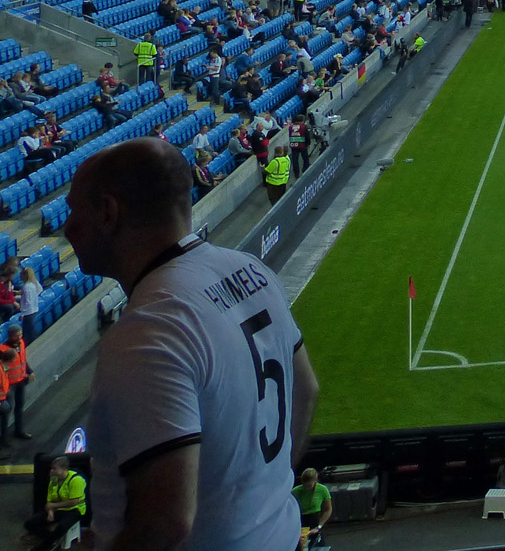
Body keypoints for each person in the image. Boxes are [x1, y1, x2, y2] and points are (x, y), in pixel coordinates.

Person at [65, 138, 319, 551]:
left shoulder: (149, 328)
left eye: (74, 211)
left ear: (109, 212)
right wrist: (260, 501)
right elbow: (306, 391)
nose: (67, 228)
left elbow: (164, 523)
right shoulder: (250, 269)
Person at [22, 453, 83, 544]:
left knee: (61, 527)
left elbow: (74, 502)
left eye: (54, 468)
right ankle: (51, 539)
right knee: (30, 524)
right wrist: (50, 512)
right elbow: (49, 500)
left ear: (63, 469)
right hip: (58, 509)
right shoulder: (54, 480)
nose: (52, 471)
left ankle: (47, 544)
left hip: (74, 510)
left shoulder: (76, 480)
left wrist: (53, 505)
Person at [5, 322, 32, 439]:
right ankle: (3, 437)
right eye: (17, 335)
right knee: (7, 411)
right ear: (11, 336)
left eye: (20, 334)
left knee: (20, 406)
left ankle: (19, 430)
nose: (19, 337)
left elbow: (23, 360)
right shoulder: (3, 350)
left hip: (20, 381)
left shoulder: (21, 343)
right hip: (9, 385)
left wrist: (30, 371)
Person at [293, 468, 332, 547]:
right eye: (304, 485)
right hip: (301, 522)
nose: (307, 488)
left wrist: (319, 527)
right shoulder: (295, 491)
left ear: (315, 481)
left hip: (314, 521)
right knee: (303, 547)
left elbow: (328, 510)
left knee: (318, 546)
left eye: (309, 485)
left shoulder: (322, 490)